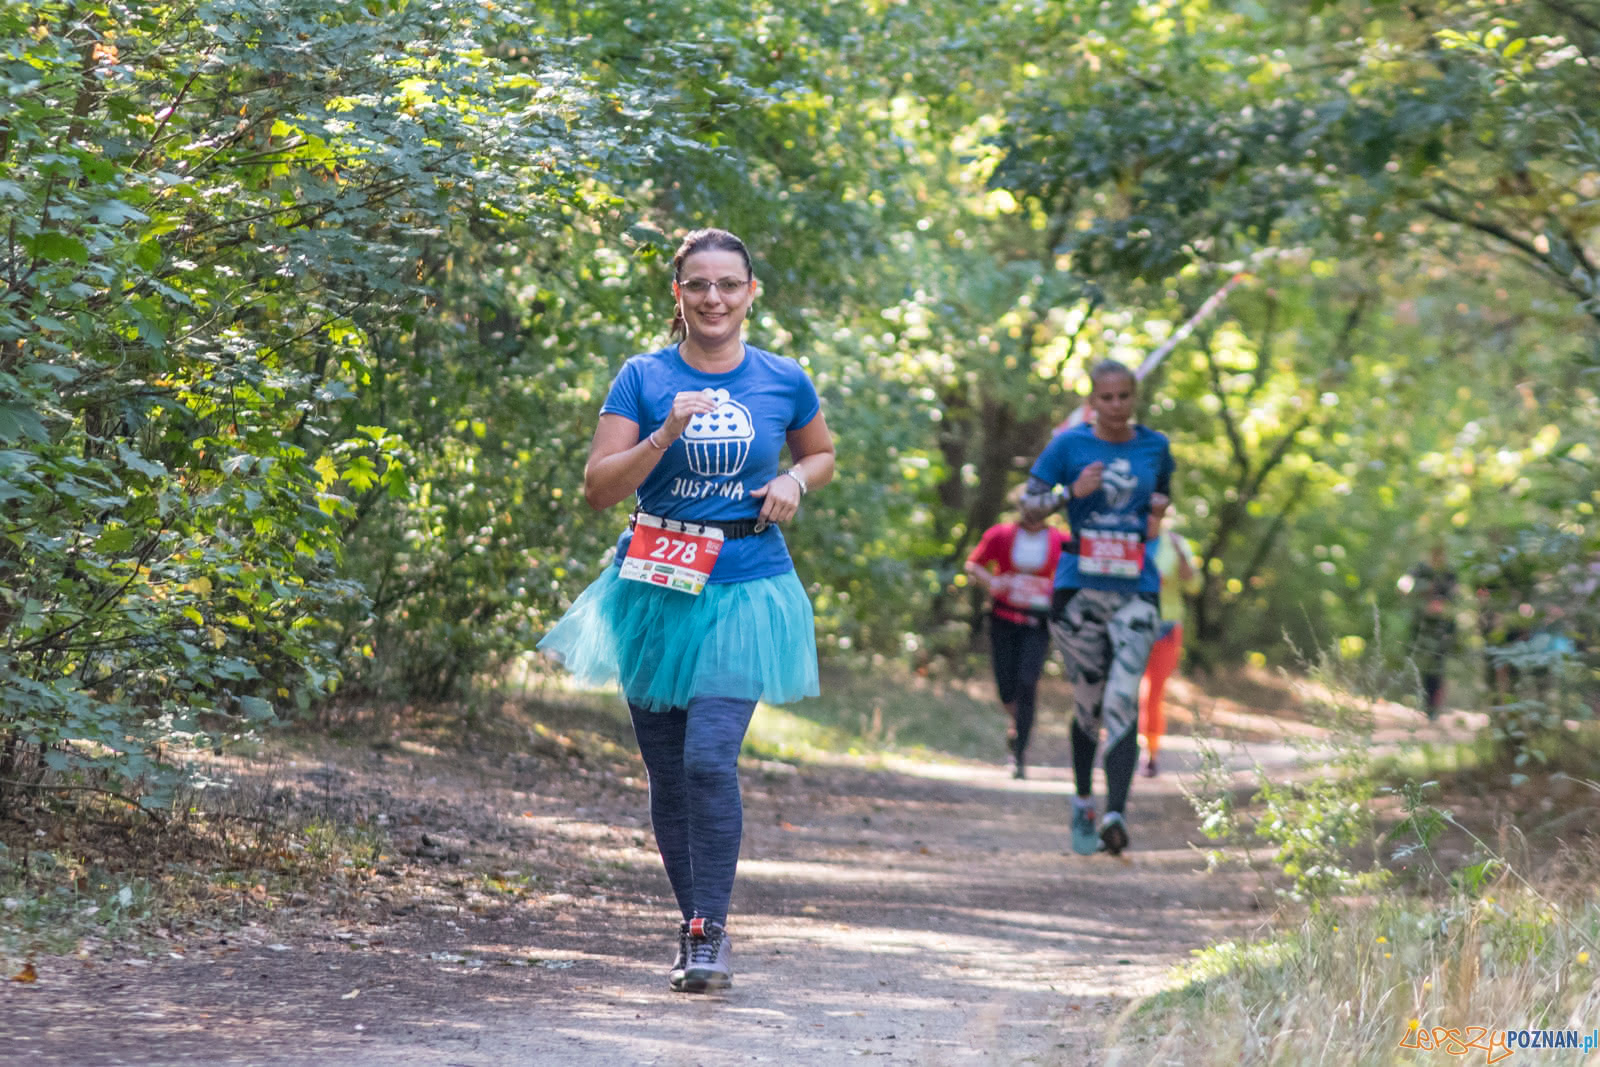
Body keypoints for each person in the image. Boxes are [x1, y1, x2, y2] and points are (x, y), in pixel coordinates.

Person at [537, 228, 835, 994]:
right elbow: (598, 488)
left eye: (728, 284)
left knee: (708, 758)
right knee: (668, 772)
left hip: (747, 585)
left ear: (750, 292)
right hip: (654, 586)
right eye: (698, 284)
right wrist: (666, 431)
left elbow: (821, 452)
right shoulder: (642, 376)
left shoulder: (782, 377)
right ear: (678, 293)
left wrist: (796, 480)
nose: (713, 298)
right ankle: (695, 925)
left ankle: (711, 929)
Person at [1022, 360, 1173, 856]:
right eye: (1106, 398)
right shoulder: (1068, 446)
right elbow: (1028, 509)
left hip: (1136, 590)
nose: (1115, 405)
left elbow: (1156, 514)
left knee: (1122, 698)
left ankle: (1117, 815)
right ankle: (1085, 800)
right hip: (1078, 590)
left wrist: (1156, 516)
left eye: (1124, 396)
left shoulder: (1156, 447)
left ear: (1135, 397)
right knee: (1089, 704)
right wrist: (1071, 493)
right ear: (1092, 402)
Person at [964, 500, 1069, 779]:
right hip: (1003, 619)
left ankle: (1020, 752)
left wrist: (1056, 592)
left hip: (1037, 622)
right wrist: (993, 582)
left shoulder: (1061, 540)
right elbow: (973, 565)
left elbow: (1074, 572)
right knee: (1007, 687)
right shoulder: (1000, 534)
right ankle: (1016, 722)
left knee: (1027, 682)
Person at [1139, 513, 1200, 775]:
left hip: (1166, 628)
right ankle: (1122, 749)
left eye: (1155, 514)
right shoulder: (1127, 539)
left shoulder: (1175, 544)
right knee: (1126, 692)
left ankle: (1151, 752)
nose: (1149, 519)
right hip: (1131, 624)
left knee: (1153, 694)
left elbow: (1194, 585)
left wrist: (1182, 556)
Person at [1399, 543, 1459, 719]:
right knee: (1422, 664)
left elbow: (1455, 596)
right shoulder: (1420, 570)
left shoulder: (1449, 573)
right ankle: (1424, 703)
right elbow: (1404, 584)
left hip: (1442, 628)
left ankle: (1434, 707)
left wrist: (1444, 607)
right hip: (1422, 626)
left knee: (1438, 666)